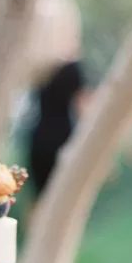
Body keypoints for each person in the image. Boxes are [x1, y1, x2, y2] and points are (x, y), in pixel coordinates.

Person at [27, 60, 91, 199]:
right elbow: (84, 112)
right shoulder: (73, 70)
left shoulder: (42, 72)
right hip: (62, 141)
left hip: (38, 141)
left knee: (40, 197)